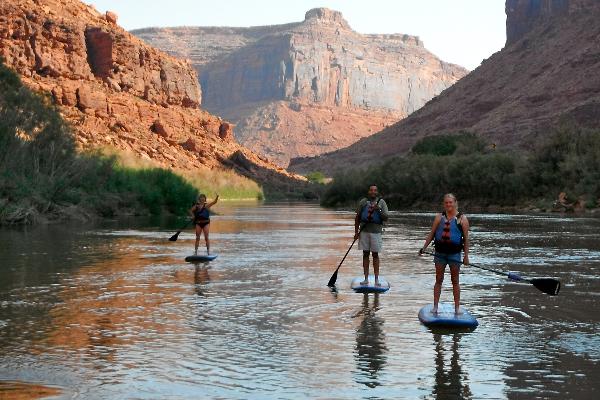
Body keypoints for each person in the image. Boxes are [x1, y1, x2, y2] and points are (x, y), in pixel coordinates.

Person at [420, 193, 470, 315]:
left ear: (455, 203)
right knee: (439, 279)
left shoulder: (462, 219)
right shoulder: (439, 217)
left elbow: (466, 240)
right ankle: (435, 306)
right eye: (446, 202)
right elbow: (431, 234)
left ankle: (457, 308)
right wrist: (423, 247)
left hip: (454, 254)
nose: (448, 204)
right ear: (444, 204)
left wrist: (466, 256)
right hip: (440, 254)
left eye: (450, 202)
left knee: (455, 281)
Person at [354, 185, 389, 286]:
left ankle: (376, 279)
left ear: (377, 192)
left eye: (375, 190)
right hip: (364, 232)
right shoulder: (363, 202)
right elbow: (357, 218)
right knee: (365, 254)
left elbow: (386, 217)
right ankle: (366, 279)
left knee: (375, 255)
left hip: (376, 232)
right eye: (371, 190)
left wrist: (379, 210)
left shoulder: (381, 203)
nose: (373, 192)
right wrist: (356, 232)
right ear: (368, 192)